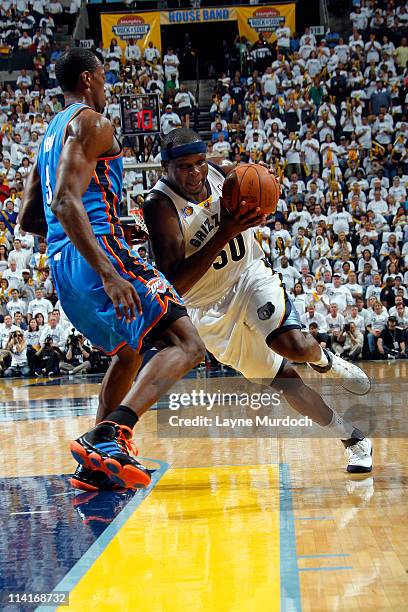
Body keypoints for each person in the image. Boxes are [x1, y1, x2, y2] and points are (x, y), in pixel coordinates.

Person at [19, 49, 205, 492]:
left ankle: (96, 464)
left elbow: (31, 217)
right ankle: (112, 432)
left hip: (64, 266)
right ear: (87, 79)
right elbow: (66, 200)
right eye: (103, 77)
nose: (106, 86)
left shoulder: (49, 134)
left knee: (128, 352)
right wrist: (106, 267)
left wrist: (102, 218)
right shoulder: (93, 123)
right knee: (189, 342)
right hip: (97, 257)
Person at [143, 128, 373, 473]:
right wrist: (226, 231)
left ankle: (328, 363)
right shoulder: (160, 206)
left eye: (199, 163)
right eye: (184, 166)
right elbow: (176, 284)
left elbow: (259, 186)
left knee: (292, 344)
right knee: (286, 383)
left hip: (249, 274)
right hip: (207, 310)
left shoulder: (225, 173)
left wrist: (263, 195)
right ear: (166, 168)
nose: (195, 173)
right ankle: (353, 439)